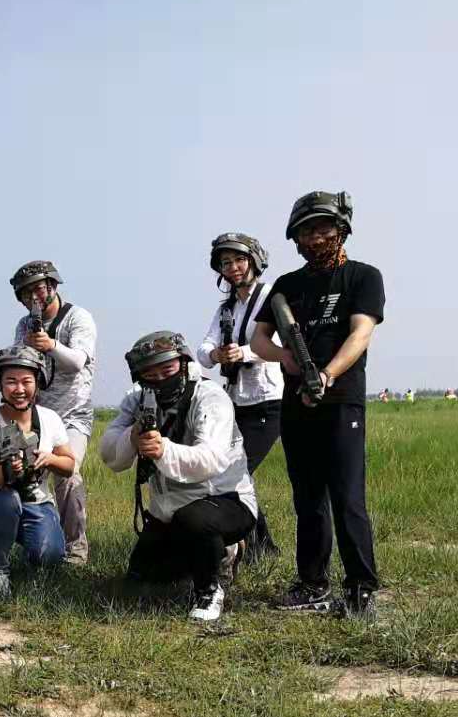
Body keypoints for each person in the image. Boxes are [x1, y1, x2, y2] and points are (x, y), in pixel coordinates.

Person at [250, 190, 385, 617]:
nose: (315, 238)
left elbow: (361, 333)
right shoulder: (286, 286)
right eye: (306, 232)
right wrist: (284, 357)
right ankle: (311, 584)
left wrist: (327, 374)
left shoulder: (363, 277)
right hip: (296, 404)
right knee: (307, 500)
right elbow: (258, 338)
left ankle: (361, 589)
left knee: (347, 497)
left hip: (342, 402)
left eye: (323, 228)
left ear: (341, 229)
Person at [98, 332, 258, 622]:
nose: (160, 379)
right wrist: (132, 437)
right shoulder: (136, 400)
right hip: (169, 509)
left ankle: (210, 589)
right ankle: (214, 555)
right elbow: (110, 455)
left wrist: (163, 450)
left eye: (167, 370)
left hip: (225, 499)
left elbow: (210, 460)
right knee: (144, 577)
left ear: (183, 363)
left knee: (194, 520)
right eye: (150, 375)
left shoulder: (209, 397)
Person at [195, 232, 284, 562]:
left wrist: (243, 353)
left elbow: (282, 344)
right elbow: (204, 349)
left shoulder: (272, 298)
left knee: (238, 472)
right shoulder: (226, 308)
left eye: (239, 260)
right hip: (236, 401)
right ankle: (262, 547)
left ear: (255, 261)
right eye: (226, 263)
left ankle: (258, 547)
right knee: (232, 473)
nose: (232, 267)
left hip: (269, 399)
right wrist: (216, 354)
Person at [8, 260, 97, 565]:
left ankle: (76, 549)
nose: (34, 297)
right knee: (23, 475)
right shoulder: (24, 325)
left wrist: (50, 345)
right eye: (26, 293)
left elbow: (77, 361)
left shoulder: (78, 317)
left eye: (38, 289)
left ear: (53, 286)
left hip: (72, 415)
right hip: (37, 416)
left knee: (67, 474)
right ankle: (38, 545)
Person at [0, 346, 76, 598]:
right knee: (7, 498)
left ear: (37, 383)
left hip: (38, 502)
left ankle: (27, 549)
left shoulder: (50, 418)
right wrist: (12, 467)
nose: (19, 389)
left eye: (26, 381)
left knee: (50, 558)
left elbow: (69, 465)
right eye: (11, 381)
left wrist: (49, 459)